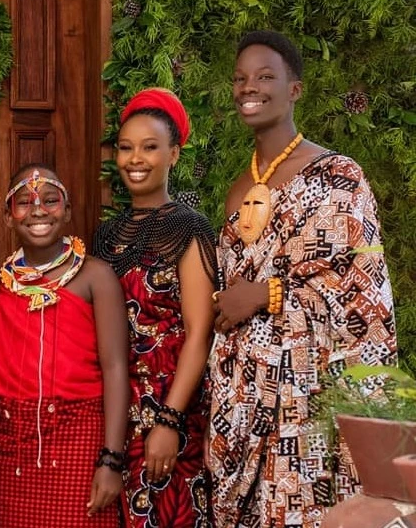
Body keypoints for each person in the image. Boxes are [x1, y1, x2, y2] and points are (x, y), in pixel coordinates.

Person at [208, 30, 398, 528]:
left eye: (265, 76)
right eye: (240, 79)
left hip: (308, 395)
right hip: (243, 395)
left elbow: (362, 298)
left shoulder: (338, 177)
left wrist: (267, 294)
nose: (249, 88)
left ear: (295, 89)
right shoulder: (237, 189)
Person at [0, 164, 130, 528]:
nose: (38, 210)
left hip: (79, 444)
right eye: (24, 202)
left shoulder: (95, 277)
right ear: (8, 217)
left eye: (50, 200)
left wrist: (112, 459)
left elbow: (116, 368)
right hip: (8, 455)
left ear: (67, 211)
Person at [93, 88, 218, 527]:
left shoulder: (189, 228)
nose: (135, 159)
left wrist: (169, 420)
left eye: (149, 147)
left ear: (174, 155)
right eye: (125, 148)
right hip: (115, 412)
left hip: (170, 406)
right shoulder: (106, 236)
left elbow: (200, 332)